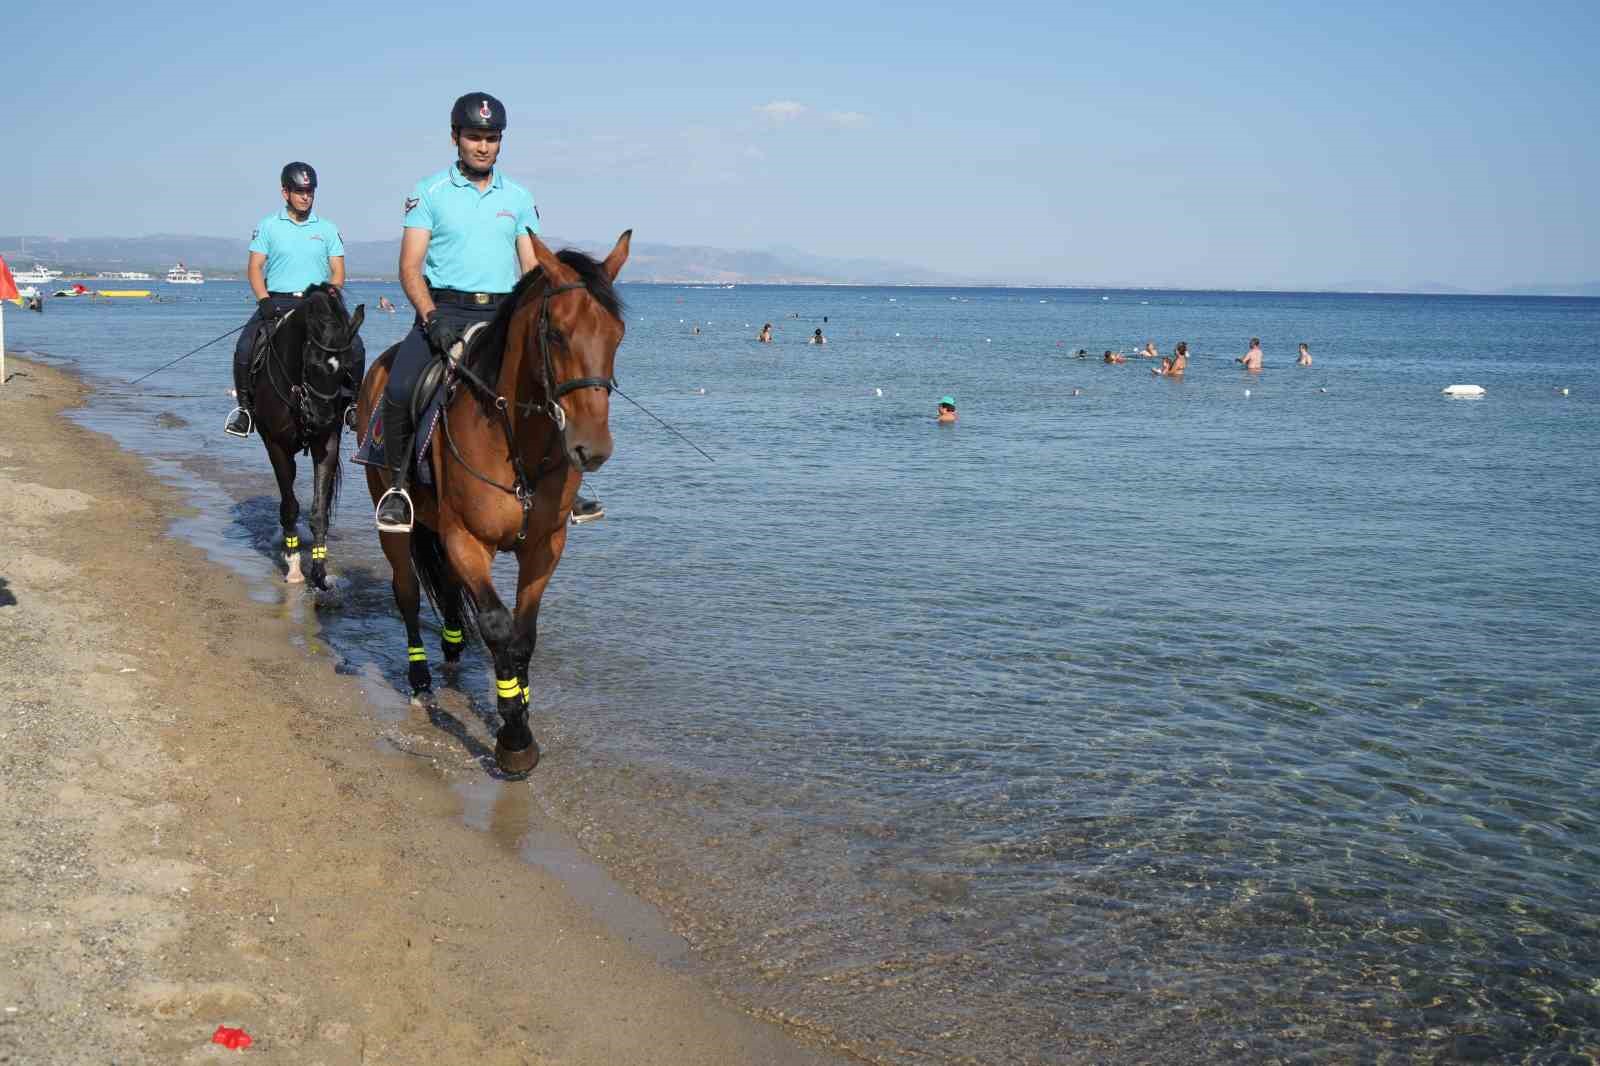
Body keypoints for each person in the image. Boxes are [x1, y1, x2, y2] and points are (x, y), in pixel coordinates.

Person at [374, 92, 541, 533]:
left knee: (554, 386)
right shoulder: (427, 192)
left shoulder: (520, 198)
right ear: (455, 138)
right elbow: (410, 267)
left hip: (503, 315)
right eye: (474, 137)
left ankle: (560, 486)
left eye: (491, 138)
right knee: (400, 387)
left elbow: (532, 269)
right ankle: (397, 488)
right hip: (443, 310)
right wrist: (431, 318)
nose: (483, 146)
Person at [225, 162, 365, 437]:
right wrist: (264, 301)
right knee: (244, 347)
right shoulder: (268, 226)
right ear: (285, 192)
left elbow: (338, 271)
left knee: (356, 347)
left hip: (318, 305)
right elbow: (254, 268)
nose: (305, 197)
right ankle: (245, 411)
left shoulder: (327, 229)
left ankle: (353, 405)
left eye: (310, 191)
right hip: (277, 302)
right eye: (300, 191)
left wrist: (330, 297)